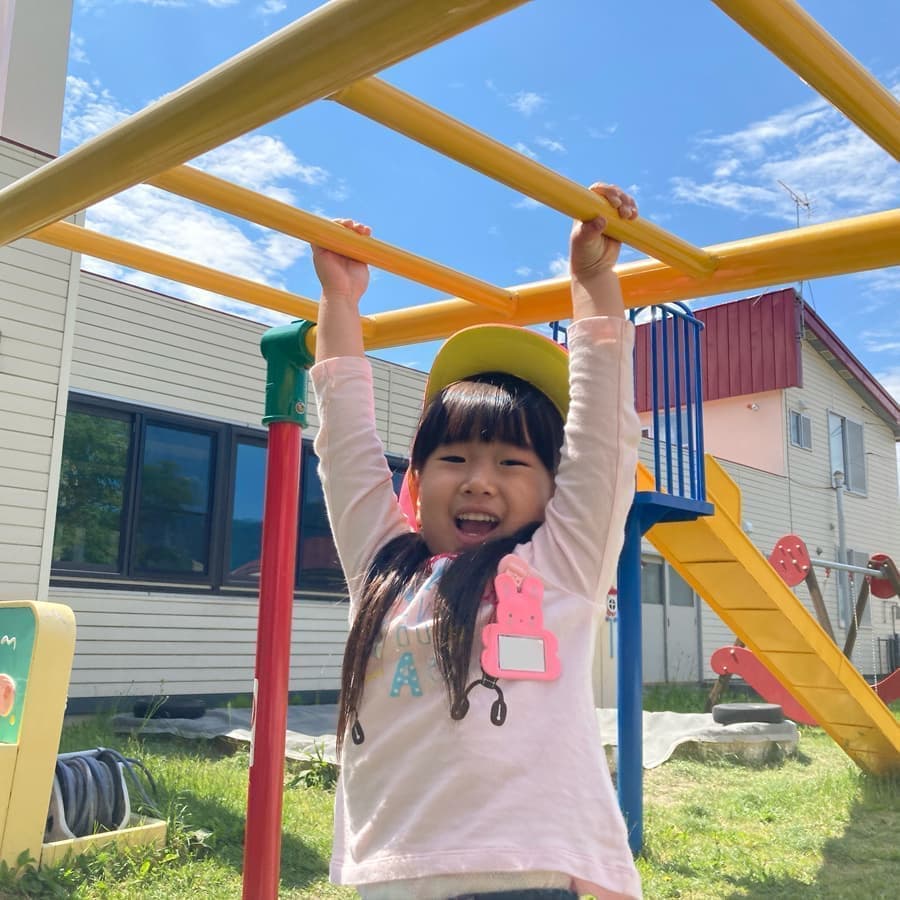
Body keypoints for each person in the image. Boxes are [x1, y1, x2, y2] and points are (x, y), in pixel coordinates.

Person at [310, 183, 643, 900]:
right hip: (392, 876)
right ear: (416, 480)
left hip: (519, 874)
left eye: (512, 463)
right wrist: (340, 303)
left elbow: (603, 439)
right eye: (454, 459)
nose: (479, 483)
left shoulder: (560, 565)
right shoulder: (384, 569)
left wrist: (592, 282)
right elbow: (345, 447)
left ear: (555, 490)